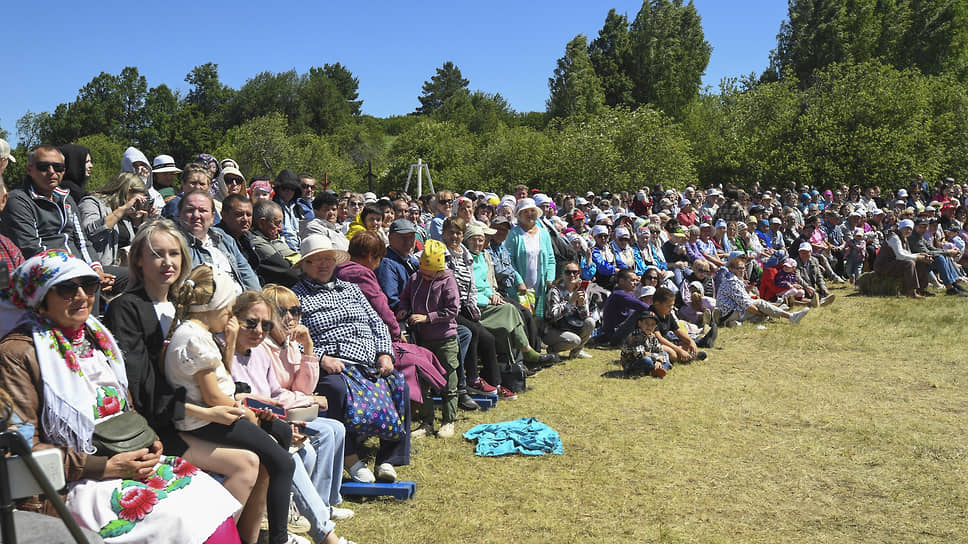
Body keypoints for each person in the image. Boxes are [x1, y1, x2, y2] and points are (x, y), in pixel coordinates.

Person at [0, 250, 241, 544]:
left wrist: (146, 438)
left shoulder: (97, 336)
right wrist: (105, 467)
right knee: (177, 516)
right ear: (39, 297)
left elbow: (124, 407)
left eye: (88, 285)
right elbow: (21, 447)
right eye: (66, 288)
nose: (81, 296)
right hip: (76, 479)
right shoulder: (16, 354)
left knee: (208, 498)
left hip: (123, 458)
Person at [102, 219, 265, 537]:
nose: (168, 262)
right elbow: (140, 386)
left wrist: (232, 363)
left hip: (200, 413)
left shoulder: (188, 306)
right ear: (138, 259)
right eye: (157, 254)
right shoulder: (126, 309)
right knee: (246, 465)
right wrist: (208, 412)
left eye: (174, 254)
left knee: (271, 450)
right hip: (163, 424)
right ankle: (214, 538)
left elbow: (212, 372)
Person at [163, 265, 308, 544]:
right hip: (207, 421)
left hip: (217, 415)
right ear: (215, 306)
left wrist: (229, 344)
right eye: (229, 309)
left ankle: (256, 534)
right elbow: (212, 398)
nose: (231, 317)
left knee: (283, 433)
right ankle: (278, 537)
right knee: (283, 462)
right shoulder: (195, 338)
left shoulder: (197, 334)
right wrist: (242, 411)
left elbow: (219, 383)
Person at [230, 291, 356, 544]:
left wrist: (307, 350)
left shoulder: (268, 349)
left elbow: (281, 392)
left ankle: (312, 511)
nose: (259, 330)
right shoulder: (236, 352)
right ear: (234, 320)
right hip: (253, 422)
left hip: (276, 417)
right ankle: (320, 530)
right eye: (251, 323)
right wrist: (297, 408)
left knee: (327, 433)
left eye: (265, 324)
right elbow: (245, 399)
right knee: (298, 451)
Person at [291, 235, 411, 485]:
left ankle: (388, 458)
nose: (323, 265)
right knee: (334, 388)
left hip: (367, 361)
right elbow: (292, 338)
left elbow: (377, 323)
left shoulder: (352, 289)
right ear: (304, 265)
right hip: (332, 362)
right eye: (315, 261)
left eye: (328, 259)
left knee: (400, 383)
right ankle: (349, 457)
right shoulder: (296, 297)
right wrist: (322, 357)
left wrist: (385, 353)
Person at [1, 145, 109, 289]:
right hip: (47, 273)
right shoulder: (19, 200)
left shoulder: (67, 199)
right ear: (29, 170)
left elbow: (82, 240)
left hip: (79, 267)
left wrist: (96, 268)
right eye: (43, 167)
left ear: (64, 171)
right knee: (89, 285)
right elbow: (31, 248)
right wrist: (79, 273)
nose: (51, 172)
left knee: (129, 279)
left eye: (58, 167)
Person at [396, 239, 461, 437]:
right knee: (423, 380)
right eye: (422, 271)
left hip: (444, 338)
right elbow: (405, 296)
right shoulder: (415, 278)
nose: (424, 276)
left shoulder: (448, 281)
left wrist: (427, 318)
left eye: (429, 273)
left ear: (439, 270)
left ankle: (449, 420)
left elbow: (452, 310)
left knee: (449, 378)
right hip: (422, 339)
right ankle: (426, 421)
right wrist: (404, 309)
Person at [78, 171, 153, 285]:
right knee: (144, 277)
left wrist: (145, 222)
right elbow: (89, 233)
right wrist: (122, 210)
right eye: (138, 200)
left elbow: (135, 246)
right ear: (128, 191)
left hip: (120, 267)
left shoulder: (125, 215)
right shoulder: (91, 203)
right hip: (97, 267)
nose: (137, 204)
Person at [177, 190, 260, 292]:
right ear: (179, 214)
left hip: (241, 303)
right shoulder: (175, 245)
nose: (196, 215)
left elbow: (249, 277)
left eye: (202, 210)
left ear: (212, 217)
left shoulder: (224, 239)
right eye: (190, 210)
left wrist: (256, 302)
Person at [716, 251, 809, 326]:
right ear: (732, 268)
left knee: (760, 306)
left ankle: (736, 323)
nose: (743, 270)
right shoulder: (732, 281)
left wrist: (747, 290)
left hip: (732, 311)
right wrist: (762, 313)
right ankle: (790, 316)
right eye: (739, 268)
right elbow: (747, 305)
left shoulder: (735, 278)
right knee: (760, 305)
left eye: (743, 268)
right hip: (729, 313)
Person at [504, 198, 557, 322]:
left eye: (532, 211)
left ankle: (537, 340)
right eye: (525, 212)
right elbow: (508, 261)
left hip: (540, 285)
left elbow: (550, 259)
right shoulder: (514, 234)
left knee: (538, 319)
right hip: (520, 288)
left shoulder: (543, 234)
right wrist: (518, 281)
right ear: (520, 215)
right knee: (523, 319)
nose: (529, 214)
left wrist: (550, 279)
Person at [543, 261, 596, 359]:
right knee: (574, 340)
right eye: (568, 272)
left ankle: (576, 352)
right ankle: (552, 350)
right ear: (563, 274)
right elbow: (552, 316)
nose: (572, 275)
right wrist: (570, 302)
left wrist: (581, 305)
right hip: (553, 329)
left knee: (590, 322)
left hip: (572, 325)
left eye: (575, 272)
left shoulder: (581, 290)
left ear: (579, 274)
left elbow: (585, 316)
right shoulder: (555, 290)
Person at [251, 199, 302, 287]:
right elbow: (288, 271)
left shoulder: (270, 237)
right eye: (277, 223)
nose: (281, 228)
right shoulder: (256, 242)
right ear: (262, 222)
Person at [619, 311, 671, 378]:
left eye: (652, 324)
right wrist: (657, 358)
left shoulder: (652, 336)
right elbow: (640, 354)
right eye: (646, 323)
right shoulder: (635, 336)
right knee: (647, 360)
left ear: (655, 327)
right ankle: (659, 368)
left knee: (665, 354)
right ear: (639, 323)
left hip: (650, 358)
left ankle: (659, 369)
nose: (649, 326)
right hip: (632, 363)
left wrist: (659, 361)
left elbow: (660, 350)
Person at [272, 170, 303, 251]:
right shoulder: (273, 207)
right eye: (285, 188)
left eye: (292, 188)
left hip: (302, 247)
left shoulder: (298, 208)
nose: (288, 191)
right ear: (278, 189)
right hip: (284, 248)